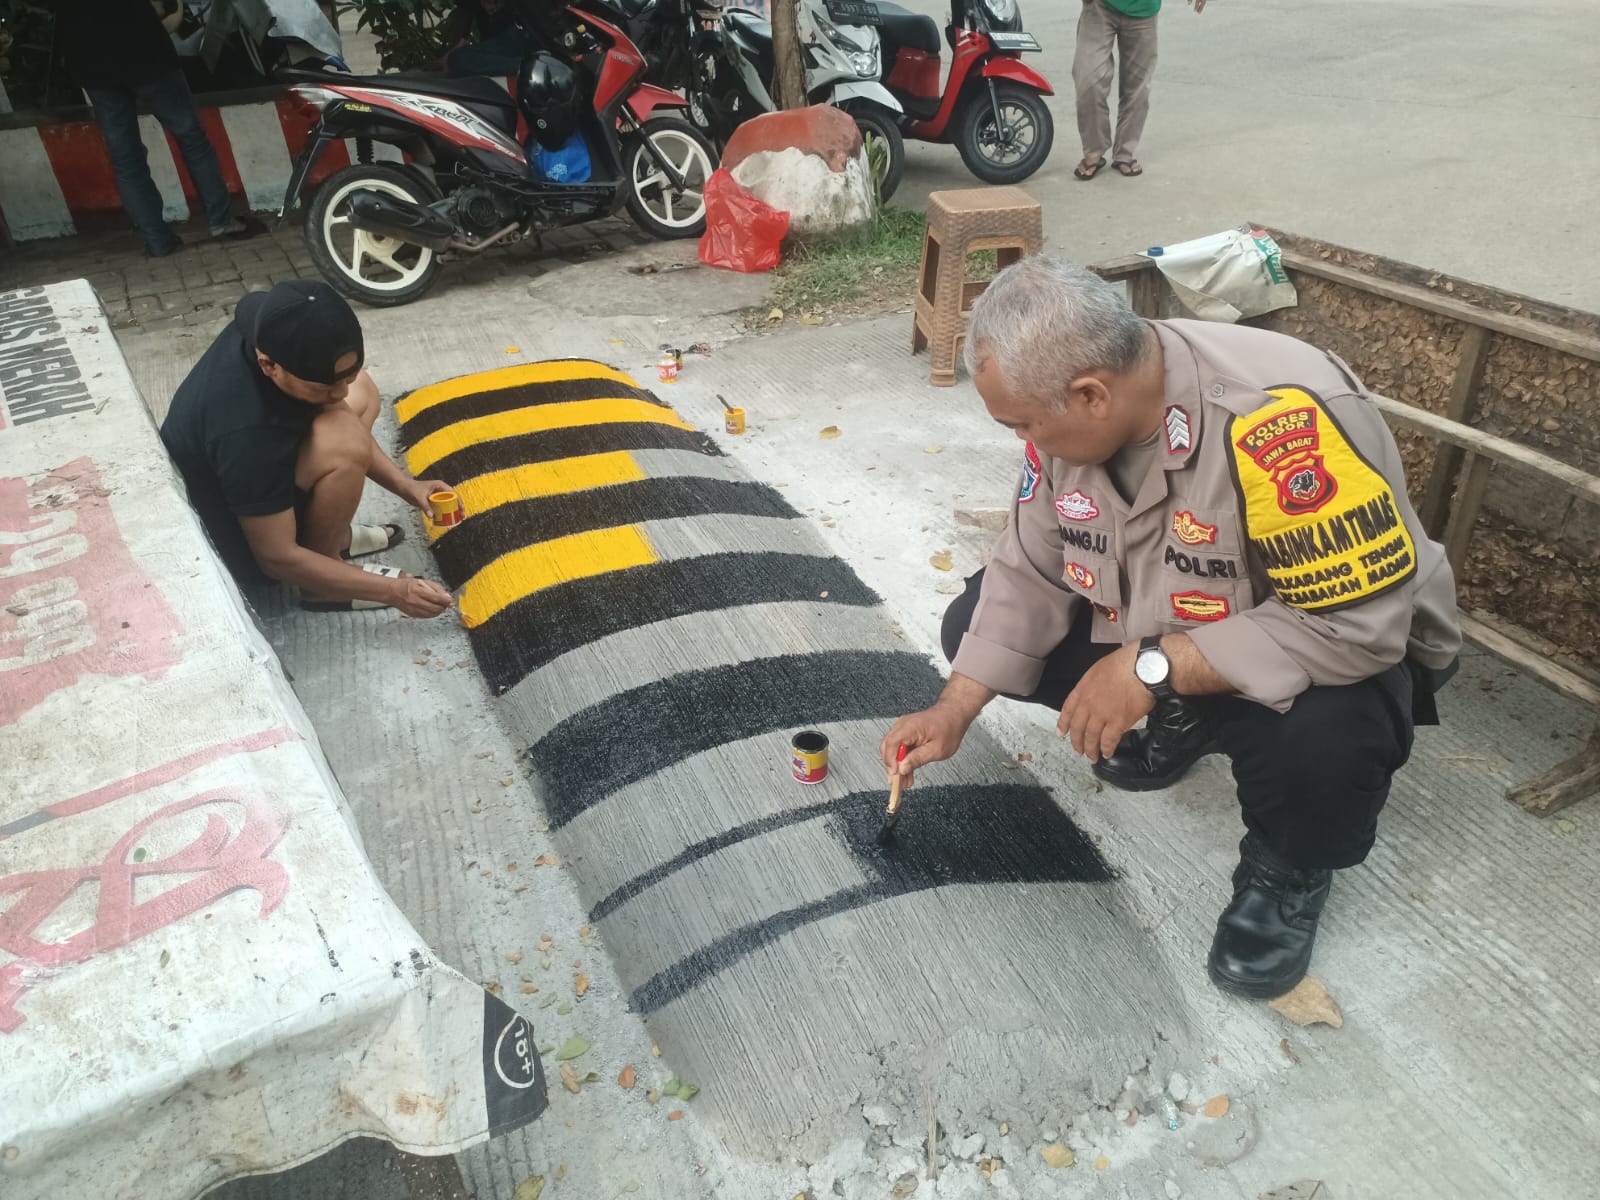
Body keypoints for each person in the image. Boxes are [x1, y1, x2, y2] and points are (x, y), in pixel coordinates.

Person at [880, 257, 1461, 1000]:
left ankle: (1288, 865)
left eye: (1025, 423)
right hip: (1182, 630)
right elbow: (1029, 562)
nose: (1024, 439)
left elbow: (1356, 628)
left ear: (1091, 394)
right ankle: (1189, 708)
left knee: (1331, 734)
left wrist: (1148, 669)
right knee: (973, 624)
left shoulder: (1278, 417)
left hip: (1343, 637)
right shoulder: (1078, 407)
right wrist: (955, 705)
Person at [160, 282, 455, 618]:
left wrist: (407, 486)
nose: (340, 391)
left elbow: (339, 393)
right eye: (327, 385)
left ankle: (331, 537)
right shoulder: (246, 433)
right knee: (343, 443)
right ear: (269, 365)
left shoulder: (269, 322)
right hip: (238, 540)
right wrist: (394, 592)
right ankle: (320, 585)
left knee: (362, 391)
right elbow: (274, 557)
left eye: (345, 374)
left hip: (249, 478)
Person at [59, 0, 266, 257]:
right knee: (190, 136)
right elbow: (160, 7)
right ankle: (221, 221)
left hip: (91, 59)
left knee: (125, 157)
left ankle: (157, 240)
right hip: (143, 47)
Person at [1071, 0, 1206, 181]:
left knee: (1137, 87)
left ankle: (1124, 153)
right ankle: (1093, 150)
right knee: (1088, 80)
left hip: (1143, 10)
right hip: (1099, 7)